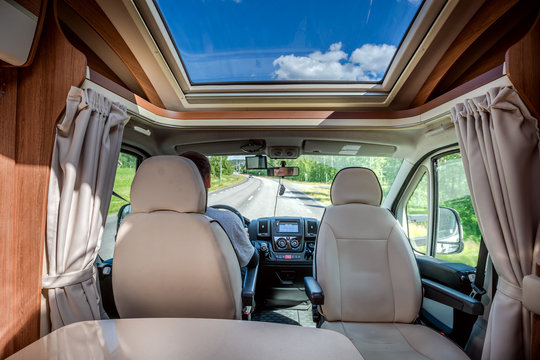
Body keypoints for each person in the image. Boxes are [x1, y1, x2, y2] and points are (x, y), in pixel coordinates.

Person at [180, 151, 258, 269]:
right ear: (208, 180)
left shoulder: (148, 224)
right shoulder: (227, 221)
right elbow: (252, 261)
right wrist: (244, 239)